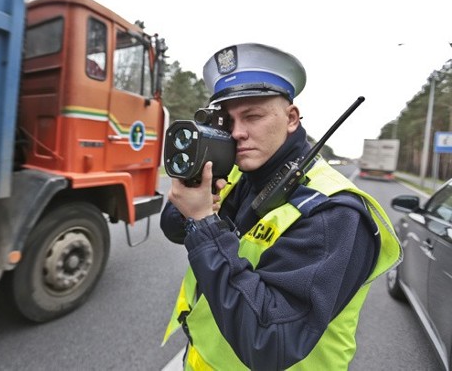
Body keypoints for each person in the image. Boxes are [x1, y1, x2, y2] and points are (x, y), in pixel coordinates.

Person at [160, 43, 402, 371]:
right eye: (227, 121)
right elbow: (174, 227)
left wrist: (204, 222)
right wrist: (195, 183)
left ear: (291, 118)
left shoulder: (334, 213)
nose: (238, 133)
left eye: (253, 116)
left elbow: (271, 342)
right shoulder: (237, 173)